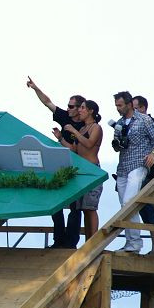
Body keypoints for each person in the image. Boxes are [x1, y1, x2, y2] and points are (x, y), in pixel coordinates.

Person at [26, 76, 85, 248]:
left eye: (71, 106)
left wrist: (61, 138)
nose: (68, 108)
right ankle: (59, 240)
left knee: (76, 207)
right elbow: (47, 102)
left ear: (80, 108)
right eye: (68, 105)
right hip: (62, 164)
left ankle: (71, 242)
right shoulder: (65, 117)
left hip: (78, 167)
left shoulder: (86, 124)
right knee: (57, 204)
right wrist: (36, 88)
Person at [111, 91, 154, 253]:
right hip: (123, 167)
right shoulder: (119, 123)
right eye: (116, 106)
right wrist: (117, 143)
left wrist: (153, 154)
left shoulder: (145, 120)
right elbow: (116, 147)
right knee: (125, 204)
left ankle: (135, 244)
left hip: (139, 164)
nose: (118, 109)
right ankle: (133, 243)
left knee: (129, 201)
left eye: (120, 105)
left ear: (128, 104)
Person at [54, 100, 103, 242]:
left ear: (90, 111)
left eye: (82, 108)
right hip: (81, 173)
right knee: (82, 209)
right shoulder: (81, 129)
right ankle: (88, 242)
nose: (79, 110)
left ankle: (93, 243)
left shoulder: (96, 127)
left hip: (92, 171)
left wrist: (73, 131)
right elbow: (74, 150)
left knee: (90, 208)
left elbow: (89, 144)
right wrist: (61, 138)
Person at [133, 95, 154, 257]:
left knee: (149, 211)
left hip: (149, 174)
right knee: (140, 210)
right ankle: (148, 247)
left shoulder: (152, 124)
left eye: (136, 108)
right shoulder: (133, 124)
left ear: (143, 108)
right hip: (135, 172)